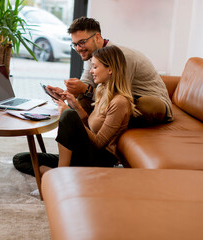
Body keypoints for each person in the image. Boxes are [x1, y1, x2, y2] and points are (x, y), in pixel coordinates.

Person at [14, 45, 136, 176]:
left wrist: (70, 113)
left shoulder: (120, 102)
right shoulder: (103, 90)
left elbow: (99, 143)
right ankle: (57, 174)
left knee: (68, 115)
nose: (91, 71)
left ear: (110, 69)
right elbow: (90, 126)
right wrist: (74, 104)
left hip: (99, 160)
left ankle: (61, 175)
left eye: (95, 67)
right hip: (84, 153)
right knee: (20, 159)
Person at [48, 17, 173, 126]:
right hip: (125, 98)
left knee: (128, 105)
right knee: (83, 100)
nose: (78, 49)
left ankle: (95, 140)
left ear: (97, 37)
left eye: (81, 42)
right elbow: (86, 82)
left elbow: (119, 96)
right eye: (74, 44)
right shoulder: (91, 54)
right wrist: (68, 93)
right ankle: (80, 141)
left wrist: (85, 89)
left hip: (150, 102)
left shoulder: (121, 57)